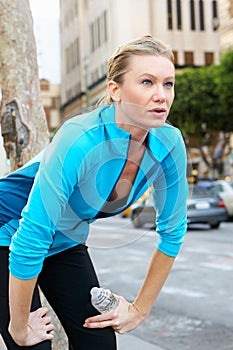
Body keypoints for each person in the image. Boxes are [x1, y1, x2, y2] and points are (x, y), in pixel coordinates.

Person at [0, 35, 188, 350]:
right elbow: (30, 237)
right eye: (146, 82)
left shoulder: (169, 143)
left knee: (98, 340)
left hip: (63, 240)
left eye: (168, 84)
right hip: (7, 233)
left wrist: (139, 309)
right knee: (33, 344)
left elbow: (172, 232)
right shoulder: (80, 137)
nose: (161, 95)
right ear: (115, 90)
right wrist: (18, 328)